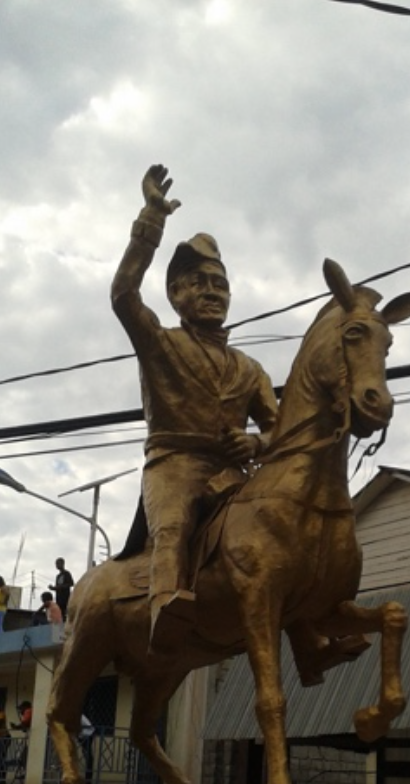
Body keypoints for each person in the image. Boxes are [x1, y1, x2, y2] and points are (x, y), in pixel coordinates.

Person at [111, 164, 278, 653]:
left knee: (278, 527)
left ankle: (308, 636)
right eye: (199, 282)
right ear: (175, 294)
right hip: (174, 466)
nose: (211, 292)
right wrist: (151, 221)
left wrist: (256, 442)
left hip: (232, 473)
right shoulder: (161, 344)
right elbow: (123, 295)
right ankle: (166, 610)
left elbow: (281, 429)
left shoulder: (250, 368)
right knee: (175, 525)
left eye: (220, 285)